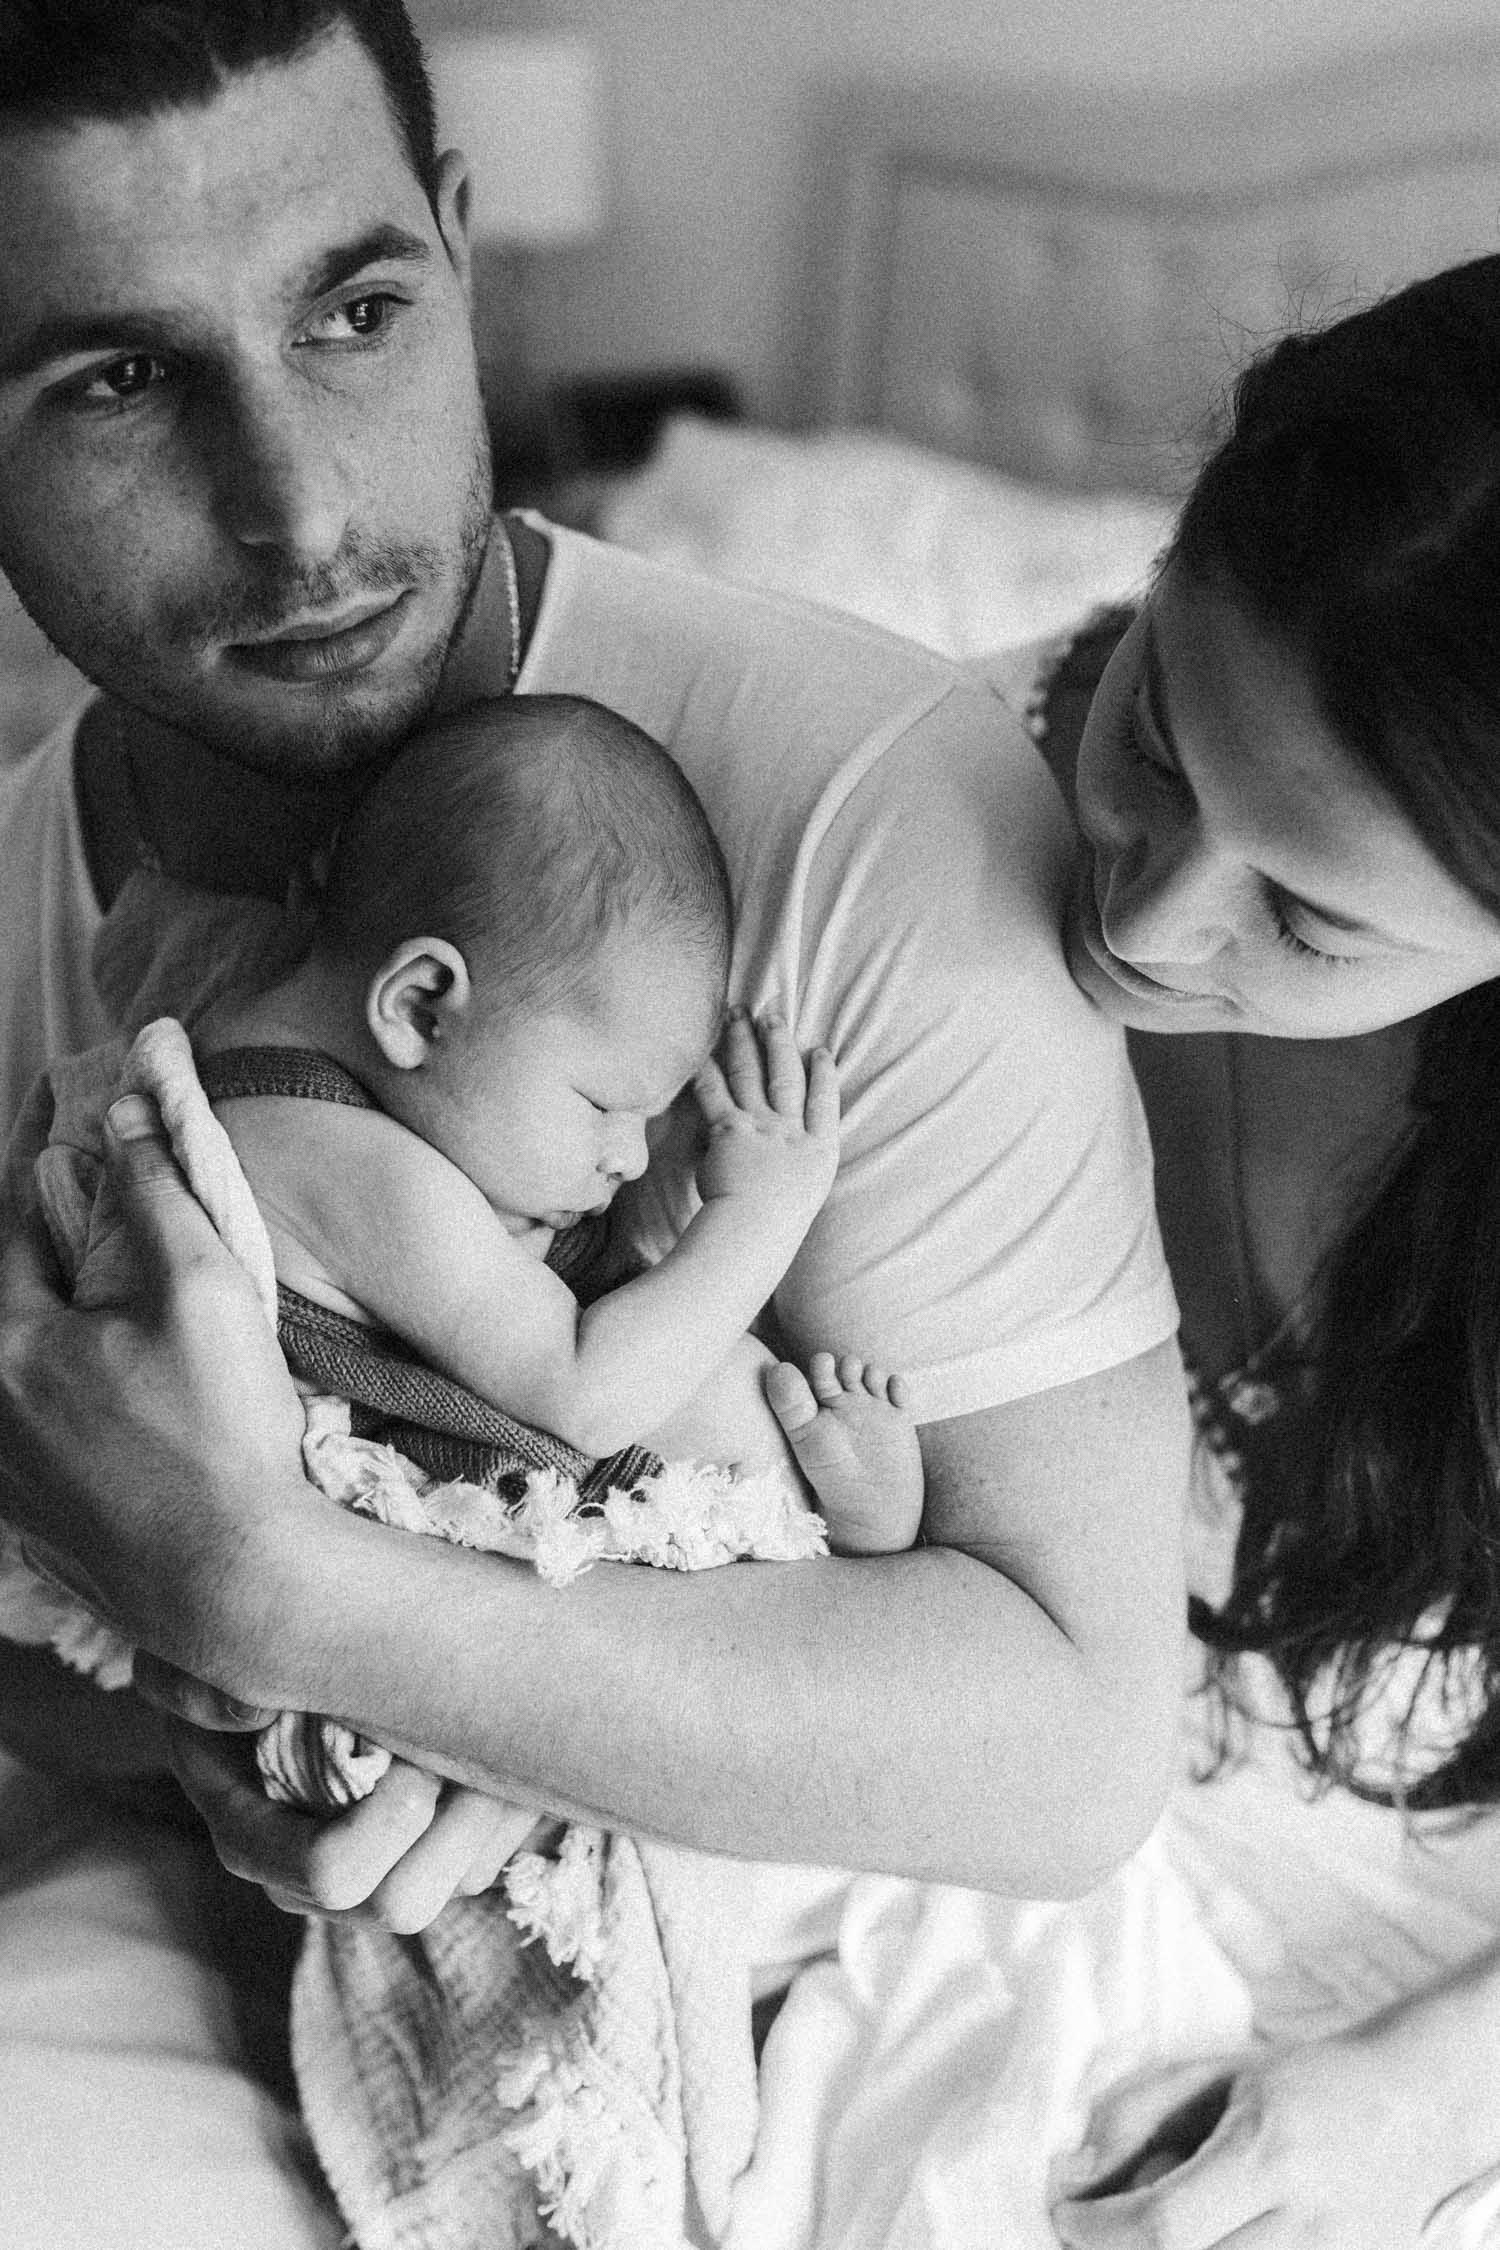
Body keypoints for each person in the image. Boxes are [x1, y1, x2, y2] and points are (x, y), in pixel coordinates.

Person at [0, 5, 1188, 2244]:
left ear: (465, 253)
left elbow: (1077, 1748)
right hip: (252, 1923)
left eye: (357, 312)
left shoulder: (874, 822)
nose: (302, 512)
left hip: (795, 1949)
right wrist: (197, 1738)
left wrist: (281, 1596)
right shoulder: (24, 907)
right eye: (119, 383)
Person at [190, 686, 919, 1549]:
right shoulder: (346, 1164)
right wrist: (761, 1212)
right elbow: (586, 1394)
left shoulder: (241, 1009)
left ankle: (838, 1514)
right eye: (605, 1105)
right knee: (700, 1397)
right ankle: (839, 1523)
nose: (634, 1159)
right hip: (530, 1521)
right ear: (422, 1007)